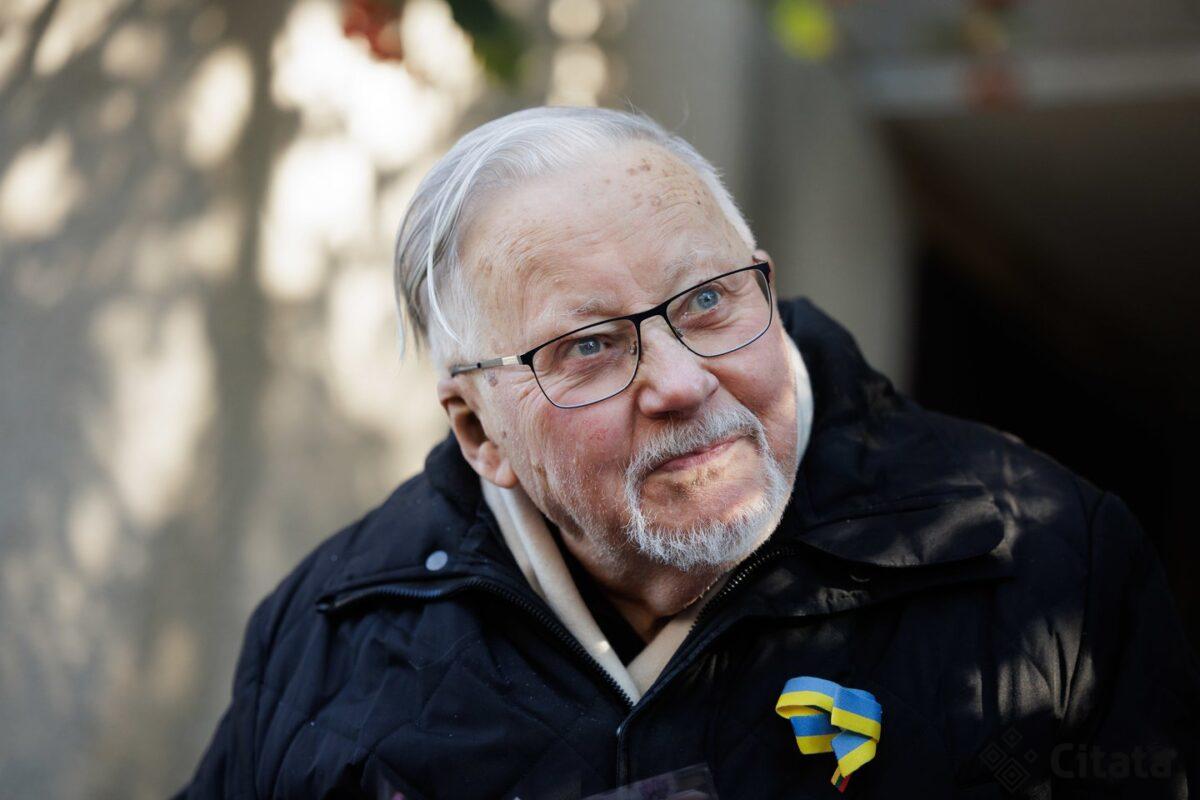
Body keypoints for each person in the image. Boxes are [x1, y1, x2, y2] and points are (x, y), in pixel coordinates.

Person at [177, 106, 1199, 799]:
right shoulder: (326, 642)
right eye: (589, 344)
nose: (680, 381)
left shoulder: (1043, 558)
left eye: (708, 299)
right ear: (482, 432)